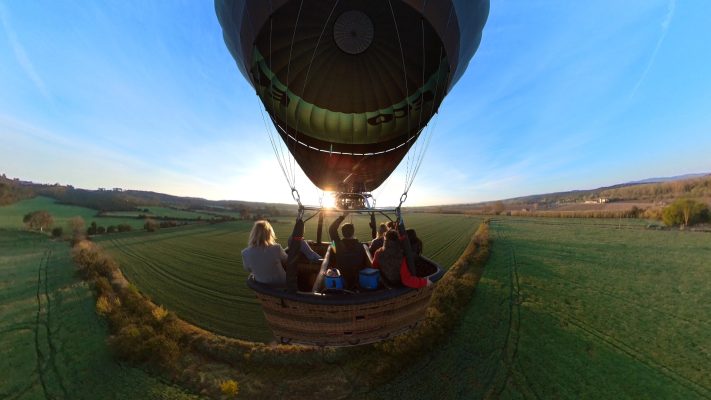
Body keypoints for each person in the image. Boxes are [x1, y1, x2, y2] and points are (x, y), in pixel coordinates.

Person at [328, 213, 369, 290]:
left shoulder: (337, 245)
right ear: (353, 232)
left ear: (342, 233)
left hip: (341, 281)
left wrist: (343, 215)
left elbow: (332, 229)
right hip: (357, 282)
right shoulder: (361, 246)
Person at [241, 220, 287, 286]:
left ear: (253, 234)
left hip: (261, 285)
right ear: (269, 233)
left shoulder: (245, 253)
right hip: (281, 283)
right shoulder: (276, 248)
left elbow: (248, 269)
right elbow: (288, 261)